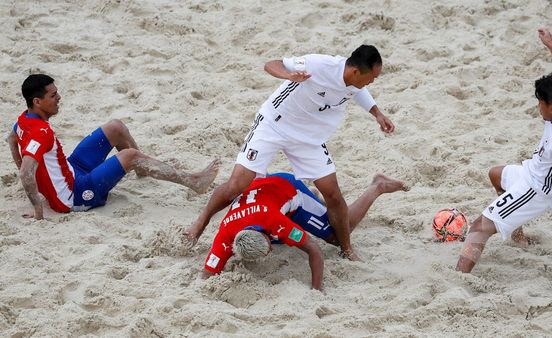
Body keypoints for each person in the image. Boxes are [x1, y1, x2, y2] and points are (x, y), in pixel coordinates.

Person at [185, 45, 396, 261]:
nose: (372, 82)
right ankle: (201, 221)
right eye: (372, 77)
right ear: (356, 72)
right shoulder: (319, 64)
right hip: (274, 125)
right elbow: (271, 64)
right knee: (236, 185)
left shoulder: (354, 80)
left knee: (332, 193)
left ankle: (346, 249)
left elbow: (359, 91)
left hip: (308, 137)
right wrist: (289, 75)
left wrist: (377, 114)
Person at [455, 28, 552, 273]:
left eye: (540, 102)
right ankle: (516, 231)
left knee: (479, 228)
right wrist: (551, 47)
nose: (538, 106)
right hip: (533, 169)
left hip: (536, 189)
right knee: (496, 174)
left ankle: (459, 278)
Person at [7, 74, 220, 219]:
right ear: (37, 102)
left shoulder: (23, 120)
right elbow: (26, 171)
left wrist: (36, 179)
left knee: (115, 127)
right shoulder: (41, 133)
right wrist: (38, 209)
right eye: (53, 96)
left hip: (72, 170)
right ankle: (193, 181)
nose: (59, 98)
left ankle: (143, 169)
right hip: (75, 195)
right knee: (130, 155)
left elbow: (12, 140)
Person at [201, 172, 408, 290]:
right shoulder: (225, 234)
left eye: (267, 247)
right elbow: (207, 275)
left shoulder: (275, 223)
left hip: (288, 189)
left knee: (337, 234)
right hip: (263, 193)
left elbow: (314, 249)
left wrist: (316, 291)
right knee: (289, 234)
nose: (270, 251)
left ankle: (377, 186)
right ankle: (316, 200)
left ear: (267, 234)